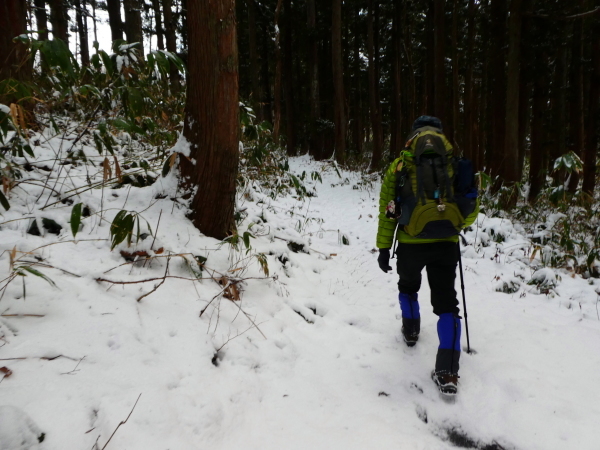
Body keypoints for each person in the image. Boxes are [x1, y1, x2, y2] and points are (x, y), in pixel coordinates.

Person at [375, 115, 479, 396]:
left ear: (413, 134)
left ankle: (410, 331)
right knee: (447, 302)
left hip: (411, 241)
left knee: (408, 286)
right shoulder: (454, 164)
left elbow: (389, 211)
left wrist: (384, 248)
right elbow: (469, 215)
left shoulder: (400, 165)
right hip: (446, 243)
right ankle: (448, 372)